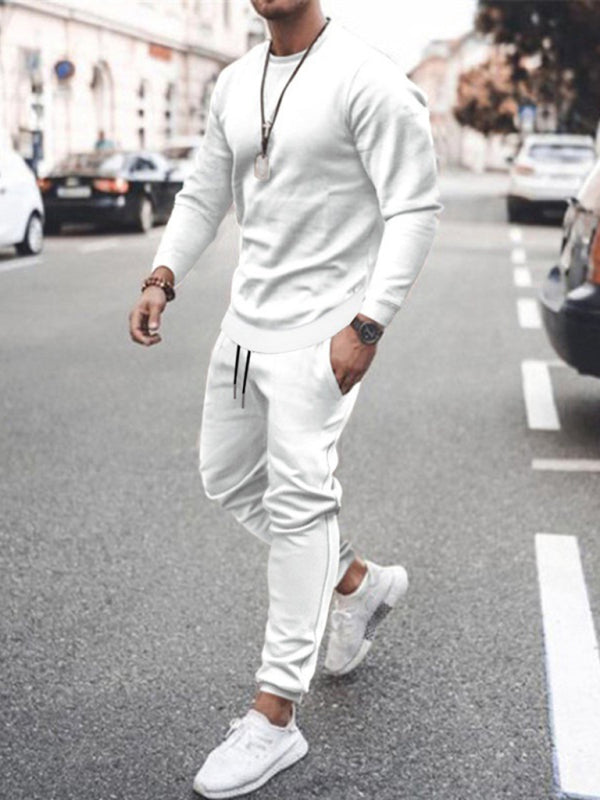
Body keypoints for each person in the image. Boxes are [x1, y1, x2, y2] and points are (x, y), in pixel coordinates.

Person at [128, 1, 441, 796]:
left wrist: (368, 324)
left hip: (323, 335)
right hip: (244, 329)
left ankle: (274, 716)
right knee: (227, 477)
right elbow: (204, 193)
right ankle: (357, 582)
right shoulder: (235, 81)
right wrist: (163, 276)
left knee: (301, 506)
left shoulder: (369, 80)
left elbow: (414, 207)